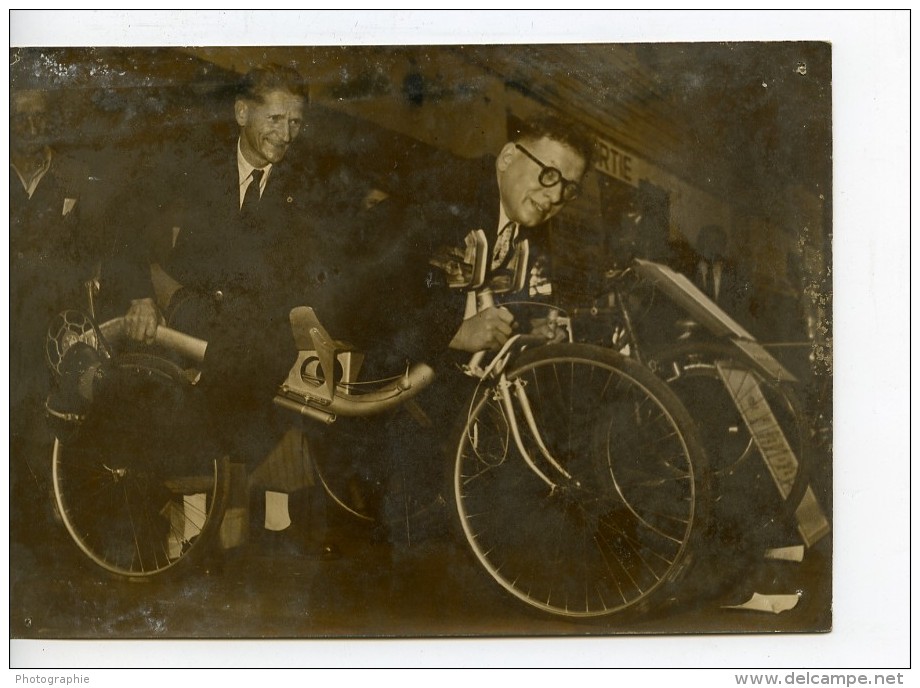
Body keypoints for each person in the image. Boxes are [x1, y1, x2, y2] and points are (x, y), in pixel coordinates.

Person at [314, 113, 594, 544]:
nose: (554, 195)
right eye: (549, 174)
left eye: (568, 189)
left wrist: (536, 321)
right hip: (358, 343)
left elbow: (508, 291)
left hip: (421, 355)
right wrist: (456, 332)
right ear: (506, 158)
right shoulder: (448, 195)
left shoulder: (525, 216)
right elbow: (368, 297)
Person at [121, 64, 352, 559]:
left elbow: (309, 272)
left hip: (247, 327)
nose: (286, 134)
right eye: (275, 118)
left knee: (263, 373)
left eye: (296, 122)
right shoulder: (190, 165)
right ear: (241, 112)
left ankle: (214, 493)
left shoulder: (305, 186)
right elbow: (131, 229)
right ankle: (197, 493)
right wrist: (142, 292)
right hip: (180, 310)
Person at [10, 84, 99, 556]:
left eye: (39, 117)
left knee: (53, 430)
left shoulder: (74, 176)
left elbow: (91, 256)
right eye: (19, 117)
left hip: (53, 330)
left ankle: (58, 532)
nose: (30, 127)